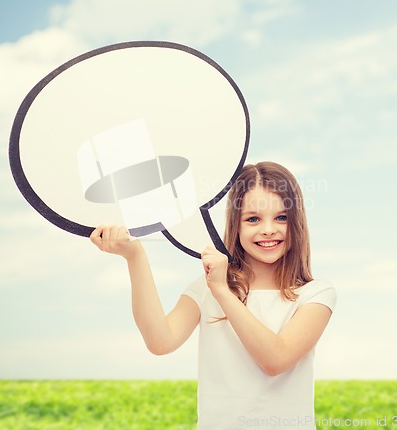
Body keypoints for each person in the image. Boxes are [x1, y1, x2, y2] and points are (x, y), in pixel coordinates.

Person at [90, 161, 336, 429]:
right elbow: (160, 342)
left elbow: (275, 360)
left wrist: (222, 290)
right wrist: (135, 257)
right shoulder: (205, 287)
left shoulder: (315, 294)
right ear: (236, 224)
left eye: (281, 217)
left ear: (297, 222)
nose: (268, 229)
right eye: (253, 219)